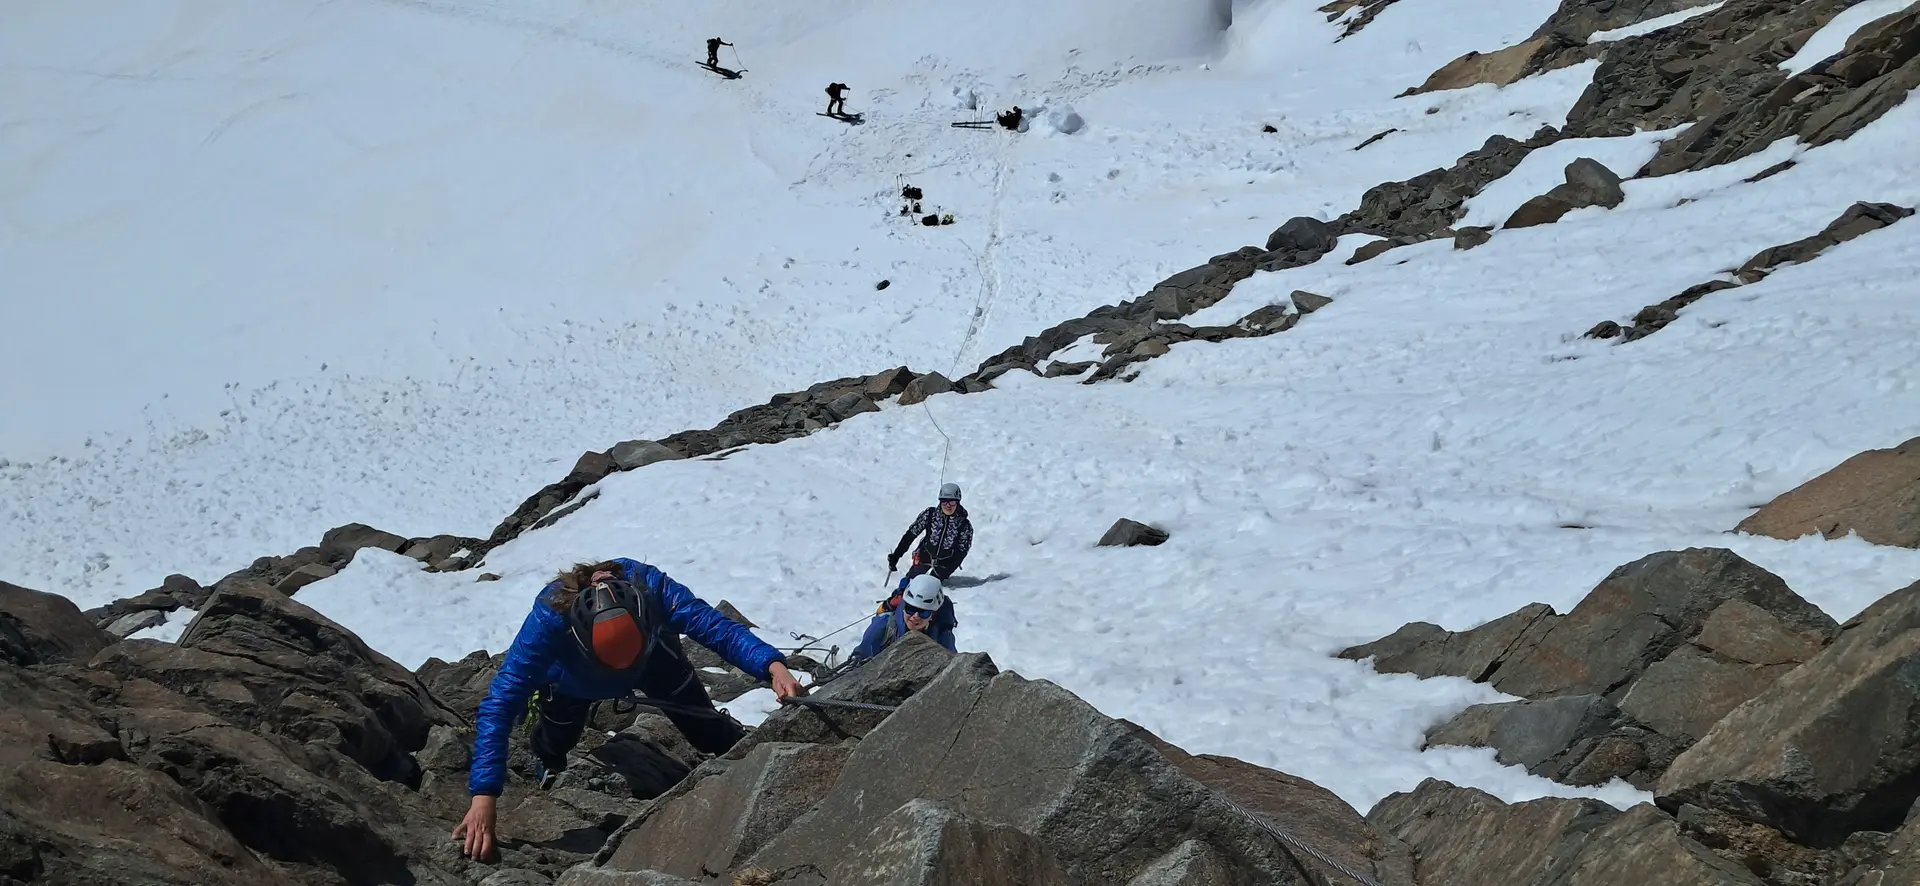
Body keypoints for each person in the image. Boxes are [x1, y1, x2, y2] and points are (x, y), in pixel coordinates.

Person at [455, 558, 805, 860]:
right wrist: (484, 796)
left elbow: (716, 628)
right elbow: (500, 700)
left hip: (655, 662)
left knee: (706, 727)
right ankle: (548, 763)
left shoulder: (653, 588)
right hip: (573, 682)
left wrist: (771, 667)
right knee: (555, 739)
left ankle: (745, 756)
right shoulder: (550, 617)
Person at [851, 574, 956, 662]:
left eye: (923, 612)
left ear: (932, 614)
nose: (915, 616)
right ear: (904, 608)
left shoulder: (942, 636)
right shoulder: (882, 627)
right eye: (910, 608)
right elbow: (862, 655)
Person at [887, 482, 972, 585]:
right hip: (925, 554)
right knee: (911, 582)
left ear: (958, 502)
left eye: (952, 502)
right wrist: (896, 555)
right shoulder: (930, 515)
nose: (948, 506)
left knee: (929, 586)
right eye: (944, 501)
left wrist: (946, 570)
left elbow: (961, 552)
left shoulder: (964, 525)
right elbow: (911, 534)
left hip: (946, 561)